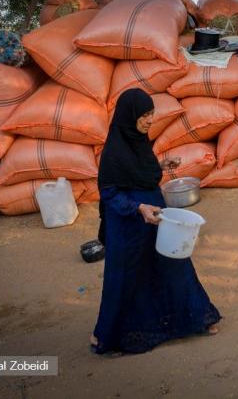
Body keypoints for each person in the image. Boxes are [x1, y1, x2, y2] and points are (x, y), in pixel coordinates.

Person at [91, 88, 221, 355]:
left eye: (152, 114)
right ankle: (110, 335)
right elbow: (109, 192)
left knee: (173, 263)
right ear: (129, 116)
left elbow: (140, 172)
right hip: (129, 223)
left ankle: (195, 318)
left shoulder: (138, 142)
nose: (150, 120)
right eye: (144, 115)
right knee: (128, 277)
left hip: (156, 214)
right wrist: (138, 208)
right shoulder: (113, 152)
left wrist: (160, 165)